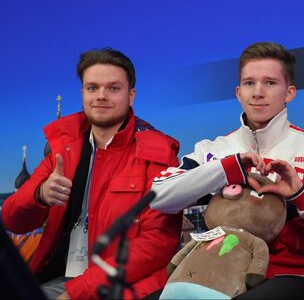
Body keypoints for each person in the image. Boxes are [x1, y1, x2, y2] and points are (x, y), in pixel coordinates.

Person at [150, 42, 304, 299]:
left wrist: (300, 194)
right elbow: (159, 197)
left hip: (290, 274)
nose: (258, 92)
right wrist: (228, 169)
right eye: (249, 83)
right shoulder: (213, 149)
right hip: (216, 273)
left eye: (270, 83)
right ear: (238, 92)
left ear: (290, 92)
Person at [2, 48, 182, 299]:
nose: (101, 96)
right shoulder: (63, 148)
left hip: (118, 286)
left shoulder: (158, 153)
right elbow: (12, 220)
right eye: (92, 88)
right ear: (82, 93)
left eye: (113, 88)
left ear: (131, 96)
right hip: (57, 279)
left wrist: (80, 291)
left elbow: (158, 242)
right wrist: (40, 194)